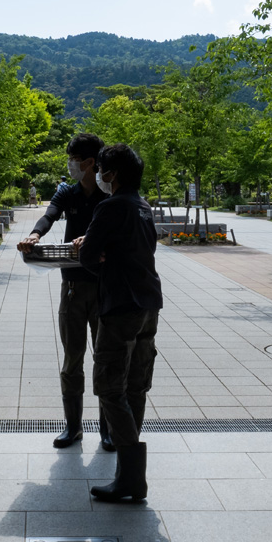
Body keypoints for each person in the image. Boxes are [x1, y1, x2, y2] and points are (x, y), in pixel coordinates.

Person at [77, 144, 163, 503]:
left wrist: (97, 257)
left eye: (103, 168)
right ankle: (129, 475)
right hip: (148, 303)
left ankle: (130, 476)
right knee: (135, 386)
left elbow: (86, 257)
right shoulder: (143, 207)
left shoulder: (110, 206)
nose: (99, 173)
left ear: (114, 174)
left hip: (121, 305)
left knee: (110, 388)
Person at [17, 133, 108, 449]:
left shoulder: (110, 195)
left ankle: (107, 428)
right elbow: (49, 214)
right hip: (71, 288)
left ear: (89, 163)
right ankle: (73, 427)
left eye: (73, 160)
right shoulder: (68, 193)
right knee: (72, 358)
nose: (69, 166)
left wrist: (96, 240)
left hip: (105, 288)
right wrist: (33, 234)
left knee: (105, 359)